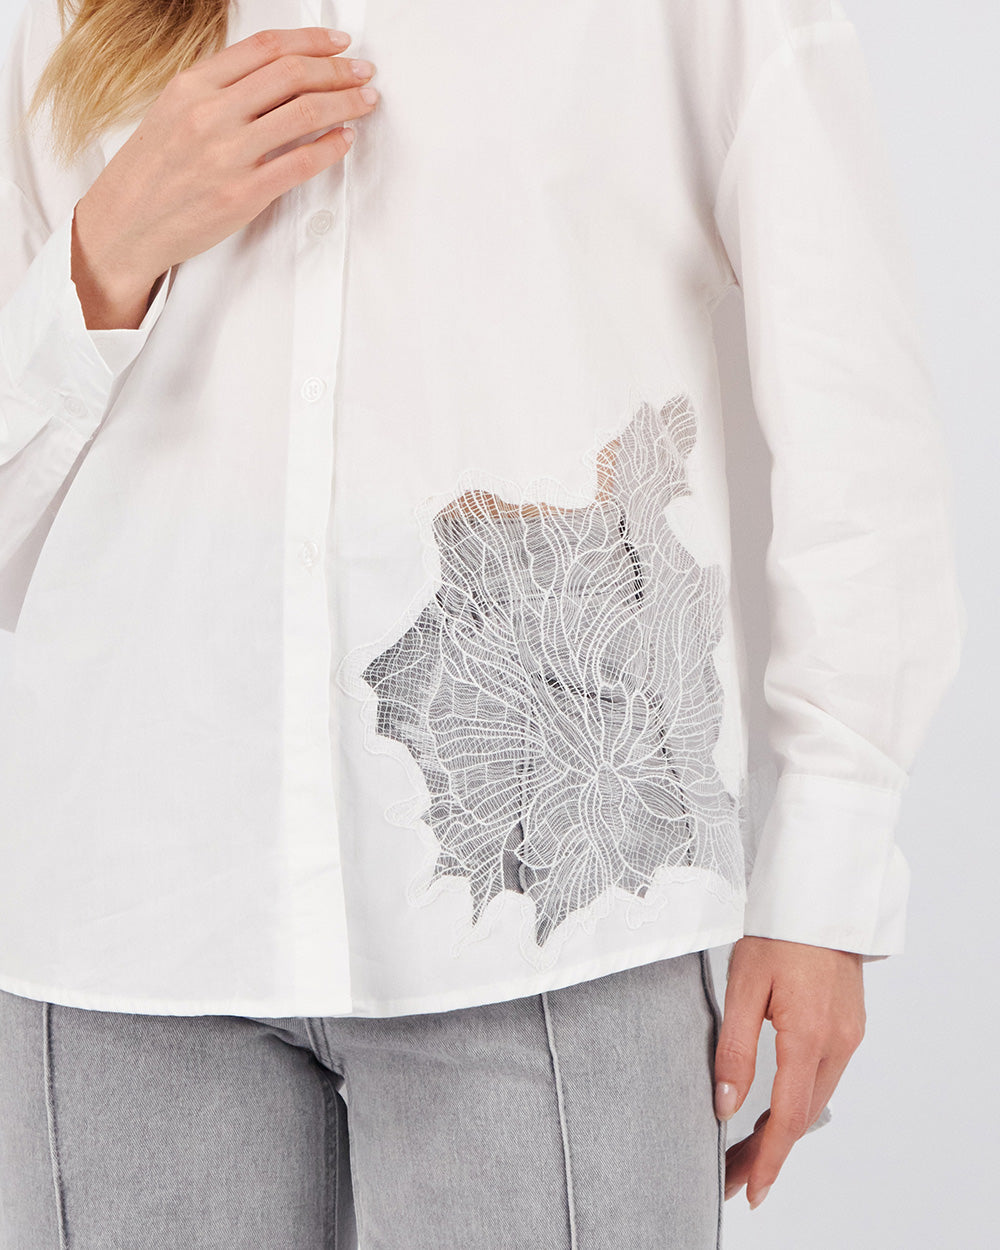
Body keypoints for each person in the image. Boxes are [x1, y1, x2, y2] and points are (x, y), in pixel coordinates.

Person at [0, 0, 965, 1246]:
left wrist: (825, 883)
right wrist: (101, 257)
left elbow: (855, 433)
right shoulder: (57, 16)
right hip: (127, 908)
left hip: (548, 909)